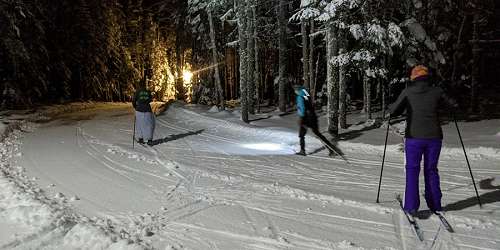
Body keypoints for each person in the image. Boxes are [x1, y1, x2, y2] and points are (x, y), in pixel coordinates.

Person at [387, 65, 457, 215]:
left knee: (412, 170)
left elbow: (394, 111)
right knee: (431, 170)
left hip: (414, 138)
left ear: (413, 77)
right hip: (434, 138)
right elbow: (453, 105)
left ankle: (411, 207)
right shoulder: (437, 91)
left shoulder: (408, 91)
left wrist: (390, 106)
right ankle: (435, 204)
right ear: (427, 76)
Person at [294, 85, 342, 157]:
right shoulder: (306, 94)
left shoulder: (300, 97)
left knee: (301, 135)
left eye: (295, 89)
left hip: (305, 118)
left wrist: (301, 118)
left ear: (298, 90)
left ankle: (302, 151)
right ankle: (331, 149)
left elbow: (302, 108)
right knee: (318, 134)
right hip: (313, 117)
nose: (295, 91)